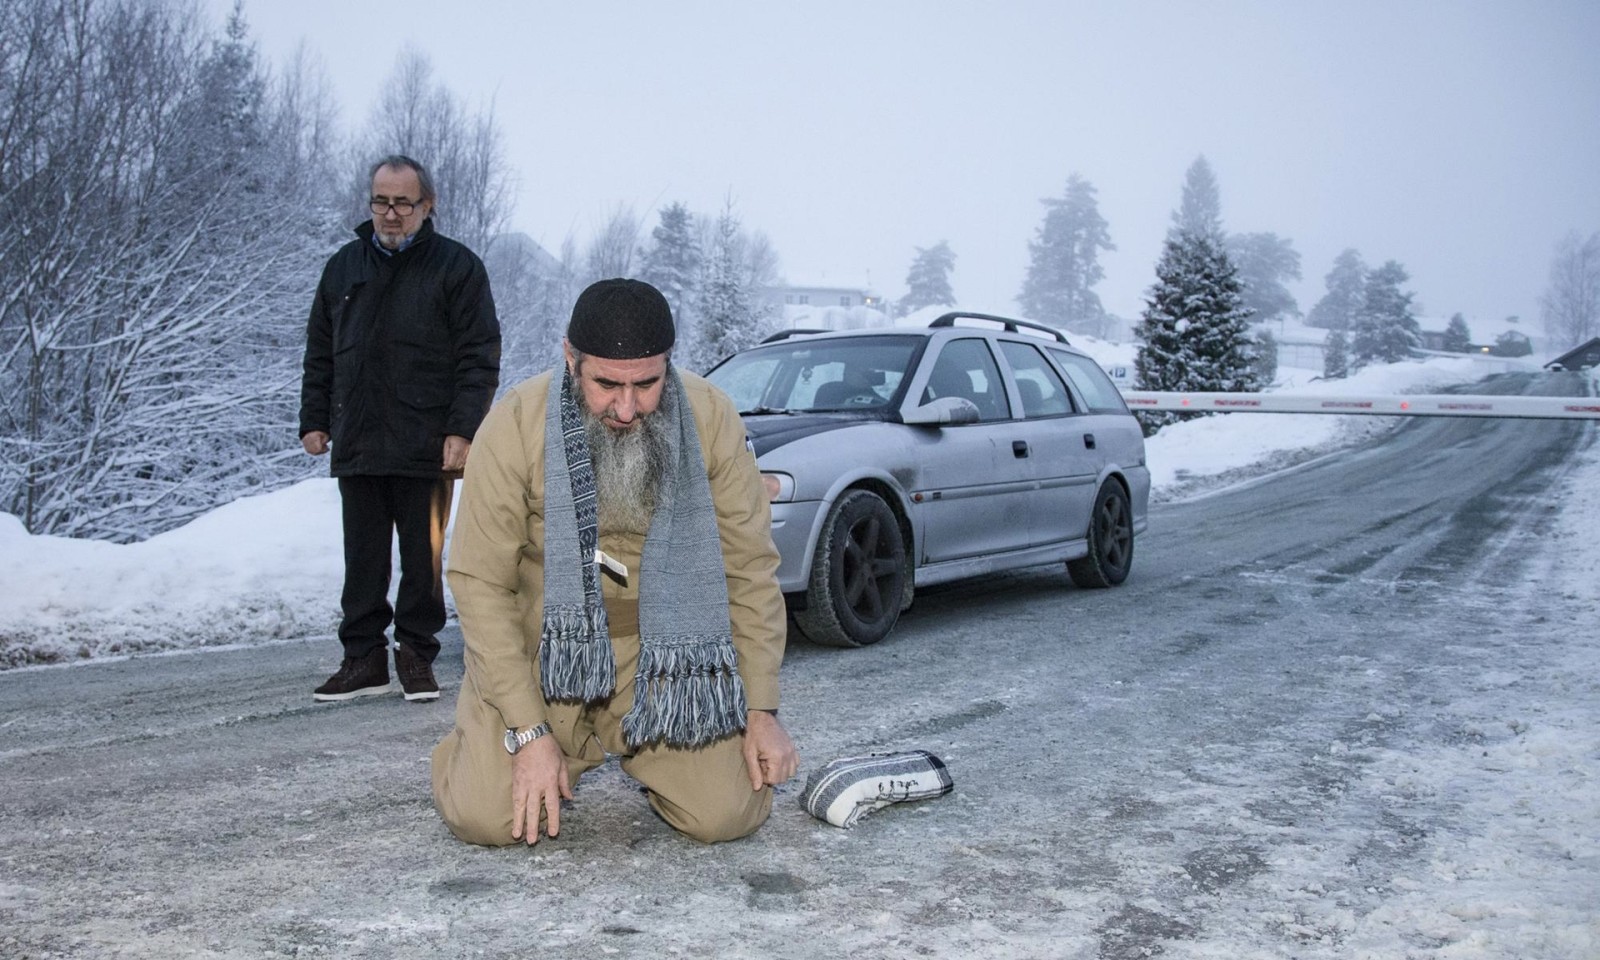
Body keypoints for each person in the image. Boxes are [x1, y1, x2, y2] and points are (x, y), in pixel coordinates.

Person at [431, 278, 798, 845]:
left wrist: (760, 707)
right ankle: (479, 740)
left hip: (663, 662)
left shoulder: (711, 418)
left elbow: (749, 570)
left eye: (647, 385)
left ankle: (640, 745)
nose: (627, 408)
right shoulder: (515, 424)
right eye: (606, 384)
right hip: (545, 656)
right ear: (571, 359)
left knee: (729, 812)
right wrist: (527, 730)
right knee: (483, 817)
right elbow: (478, 582)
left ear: (668, 367)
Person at [299, 155, 501, 704]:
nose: (390, 214)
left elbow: (478, 356)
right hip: (359, 438)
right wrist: (314, 419)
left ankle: (416, 654)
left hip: (426, 442)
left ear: (426, 205)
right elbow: (320, 350)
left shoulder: (456, 268)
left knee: (422, 559)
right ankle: (362, 660)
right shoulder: (343, 267)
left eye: (402, 203)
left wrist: (463, 430)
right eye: (380, 202)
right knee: (361, 557)